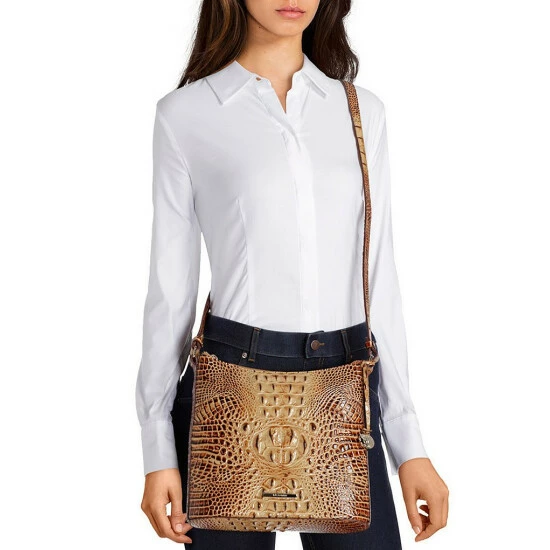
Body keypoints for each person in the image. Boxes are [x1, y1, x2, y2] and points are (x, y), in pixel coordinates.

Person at [135, 1, 449, 548]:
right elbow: (171, 288)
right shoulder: (185, 115)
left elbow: (378, 279)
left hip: (344, 392)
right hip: (228, 396)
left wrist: (408, 442)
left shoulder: (360, 111)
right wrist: (157, 446)